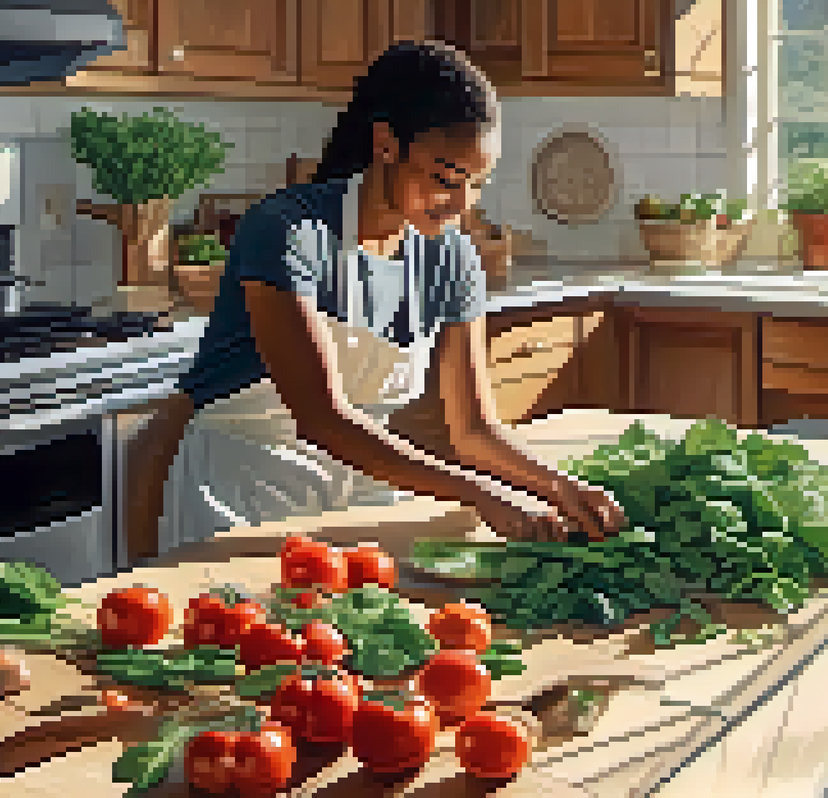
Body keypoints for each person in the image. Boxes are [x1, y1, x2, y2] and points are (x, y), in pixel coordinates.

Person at [124, 40, 628, 560]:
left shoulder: (452, 258)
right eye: (446, 179)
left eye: (477, 183)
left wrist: (560, 488)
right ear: (387, 143)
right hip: (244, 496)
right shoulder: (287, 232)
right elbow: (322, 418)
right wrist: (479, 492)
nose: (461, 204)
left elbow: (474, 430)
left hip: (363, 495)